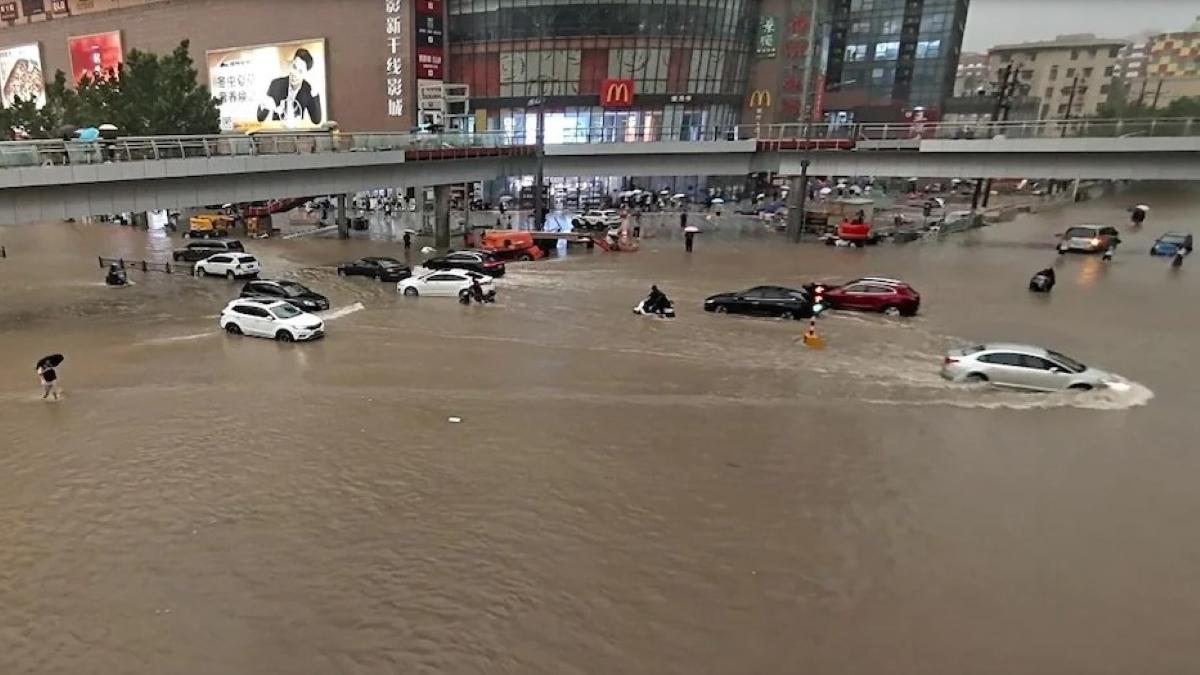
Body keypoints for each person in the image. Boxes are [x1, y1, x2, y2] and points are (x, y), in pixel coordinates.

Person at [257, 48, 323, 126]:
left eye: (300, 71)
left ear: (305, 73)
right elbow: (260, 117)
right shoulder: (276, 84)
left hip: (297, 135)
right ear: (291, 64)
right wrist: (264, 104)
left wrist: (315, 94)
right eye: (294, 67)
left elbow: (316, 120)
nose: (295, 73)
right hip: (276, 134)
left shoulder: (308, 89)